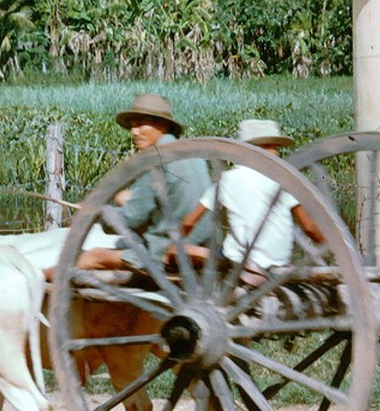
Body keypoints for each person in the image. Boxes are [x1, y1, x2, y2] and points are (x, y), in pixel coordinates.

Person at [71, 93, 212, 272]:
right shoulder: (193, 155)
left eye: (140, 125)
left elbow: (132, 219)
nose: (134, 133)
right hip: (200, 244)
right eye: (132, 127)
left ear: (162, 125)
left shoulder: (154, 160)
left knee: (91, 257)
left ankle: (40, 278)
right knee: (123, 196)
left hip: (168, 253)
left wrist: (94, 212)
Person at [178, 119, 324, 275]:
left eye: (275, 147)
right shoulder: (285, 179)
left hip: (240, 262)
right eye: (272, 147)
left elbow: (189, 222)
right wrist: (333, 249)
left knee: (177, 250)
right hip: (280, 262)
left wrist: (175, 244)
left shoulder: (228, 179)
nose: (275, 152)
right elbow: (309, 227)